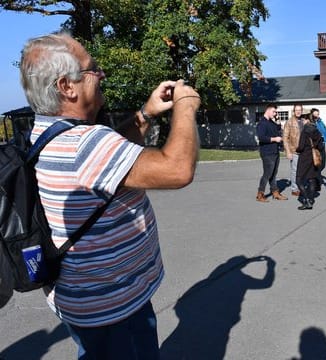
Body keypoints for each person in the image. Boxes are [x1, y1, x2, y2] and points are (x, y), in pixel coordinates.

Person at [20, 32, 200, 359]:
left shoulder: (48, 132)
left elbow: (109, 161)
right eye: (93, 69)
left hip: (86, 299)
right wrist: (186, 107)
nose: (101, 75)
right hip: (114, 307)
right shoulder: (85, 144)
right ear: (66, 86)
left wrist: (146, 112)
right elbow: (178, 169)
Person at [256, 103, 287, 202]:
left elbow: (278, 128)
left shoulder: (271, 122)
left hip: (275, 151)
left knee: (274, 174)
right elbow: (261, 137)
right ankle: (260, 194)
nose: (275, 113)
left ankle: (275, 193)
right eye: (274, 111)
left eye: (276, 112)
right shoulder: (262, 123)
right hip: (267, 152)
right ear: (268, 110)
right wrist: (274, 139)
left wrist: (277, 119)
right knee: (267, 174)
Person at [295, 114, 324, 210]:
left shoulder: (305, 131)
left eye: (303, 120)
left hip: (304, 158)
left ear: (307, 120)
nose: (302, 122)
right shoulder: (317, 131)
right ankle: (311, 199)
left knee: (298, 180)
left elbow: (301, 147)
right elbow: (321, 147)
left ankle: (307, 200)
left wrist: (297, 149)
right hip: (314, 158)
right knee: (311, 179)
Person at [283, 104, 304, 196]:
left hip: (303, 150)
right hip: (294, 150)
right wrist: (288, 151)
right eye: (296, 110)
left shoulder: (303, 121)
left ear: (302, 111)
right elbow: (285, 137)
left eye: (300, 110)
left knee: (302, 170)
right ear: (293, 111)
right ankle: (295, 189)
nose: (298, 111)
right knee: (295, 170)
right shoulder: (289, 122)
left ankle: (300, 186)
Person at [311, 108, 326, 190]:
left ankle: (314, 177)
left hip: (322, 144)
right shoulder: (311, 123)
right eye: (315, 114)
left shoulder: (320, 122)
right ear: (312, 115)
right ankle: (316, 184)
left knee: (323, 165)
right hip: (315, 146)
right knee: (317, 164)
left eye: (318, 114)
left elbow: (325, 132)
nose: (317, 116)